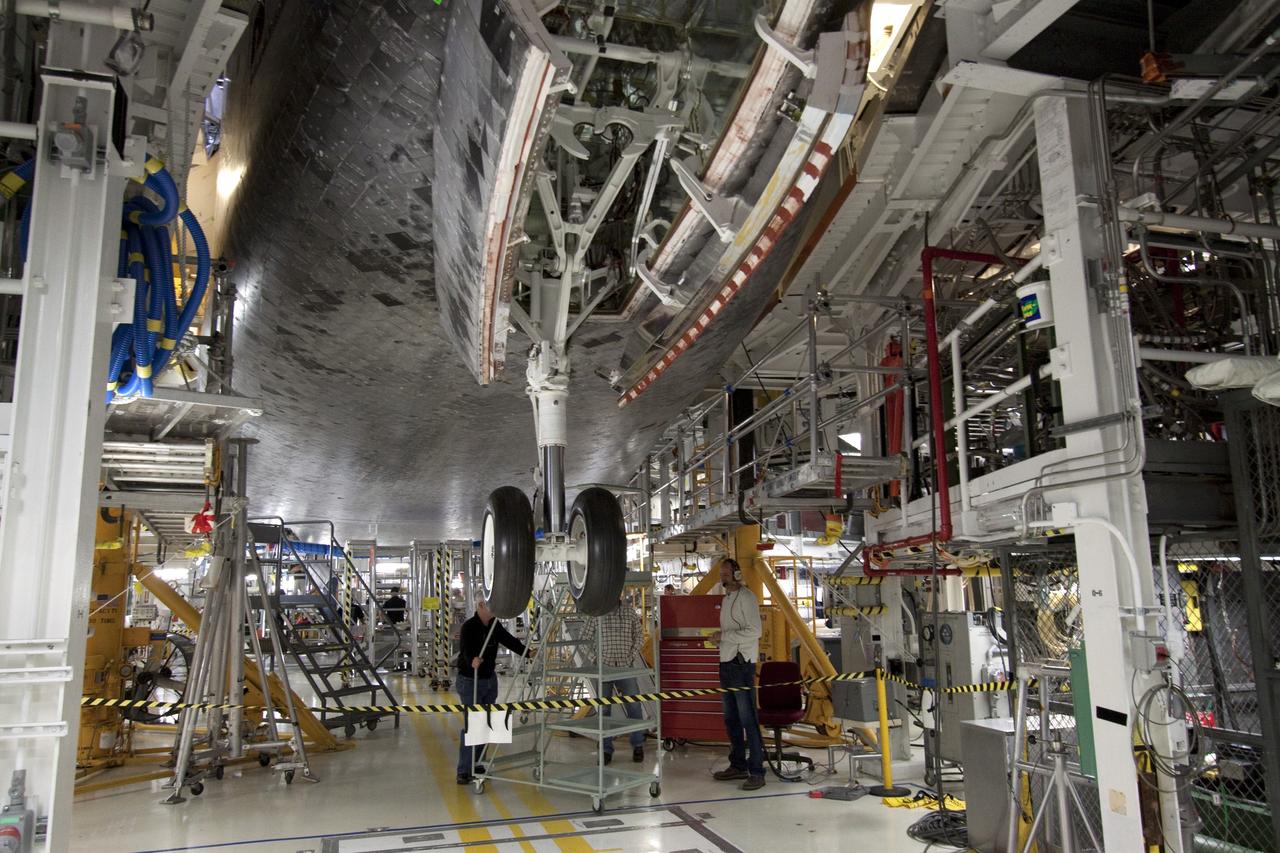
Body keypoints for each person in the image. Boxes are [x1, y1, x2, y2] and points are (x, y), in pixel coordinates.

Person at [455, 595, 529, 785]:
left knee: (486, 722)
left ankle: (478, 762)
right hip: (470, 679)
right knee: (473, 723)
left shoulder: (495, 625)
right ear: (481, 605)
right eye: (491, 607)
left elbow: (509, 641)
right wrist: (472, 659)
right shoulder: (469, 626)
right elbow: (465, 648)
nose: (494, 610)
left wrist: (527, 652)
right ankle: (464, 770)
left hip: (489, 679)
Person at [710, 557, 765, 790]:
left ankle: (757, 771)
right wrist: (720, 640)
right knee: (731, 718)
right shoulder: (727, 599)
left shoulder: (747, 598)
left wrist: (725, 637)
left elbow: (755, 631)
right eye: (721, 575)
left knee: (747, 719)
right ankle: (738, 764)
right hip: (726, 663)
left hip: (741, 665)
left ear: (737, 575)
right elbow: (731, 631)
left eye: (726, 574)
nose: (723, 578)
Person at [583, 598, 647, 765]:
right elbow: (584, 639)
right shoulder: (596, 613)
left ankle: (638, 744)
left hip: (625, 667)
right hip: (604, 668)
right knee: (604, 710)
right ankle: (605, 749)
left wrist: (630, 657)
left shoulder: (629, 611)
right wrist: (595, 659)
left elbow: (639, 636)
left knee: (634, 705)